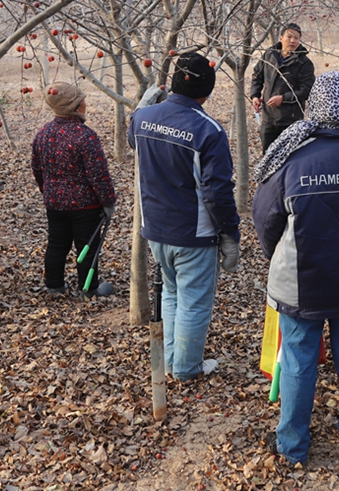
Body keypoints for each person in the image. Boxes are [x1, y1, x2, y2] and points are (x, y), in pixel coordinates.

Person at [254, 72, 339, 468]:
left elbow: (265, 219)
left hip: (301, 282)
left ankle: (292, 446)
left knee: (298, 360)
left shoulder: (290, 156)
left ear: (311, 104)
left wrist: (279, 255)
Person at [129, 52, 240, 380]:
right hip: (193, 234)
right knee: (193, 302)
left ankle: (172, 362)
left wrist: (142, 106)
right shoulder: (209, 131)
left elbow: (132, 133)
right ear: (206, 92)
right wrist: (230, 233)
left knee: (172, 293)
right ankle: (187, 368)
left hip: (156, 231)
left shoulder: (143, 119)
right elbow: (218, 192)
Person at [30, 81, 117, 297]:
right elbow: (98, 175)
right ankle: (89, 289)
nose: (86, 104)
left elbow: (37, 168)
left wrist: (47, 191)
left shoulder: (43, 133)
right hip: (86, 206)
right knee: (87, 246)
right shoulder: (86, 136)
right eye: (82, 101)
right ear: (75, 106)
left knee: (56, 244)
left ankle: (54, 286)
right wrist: (108, 201)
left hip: (54, 204)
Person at [250, 23, 316, 153]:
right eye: (289, 37)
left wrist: (283, 98)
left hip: (291, 120)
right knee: (268, 155)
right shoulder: (269, 55)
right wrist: (255, 95)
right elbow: (257, 76)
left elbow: (307, 90)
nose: (293, 41)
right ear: (281, 38)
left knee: (290, 157)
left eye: (296, 38)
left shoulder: (304, 63)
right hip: (268, 118)